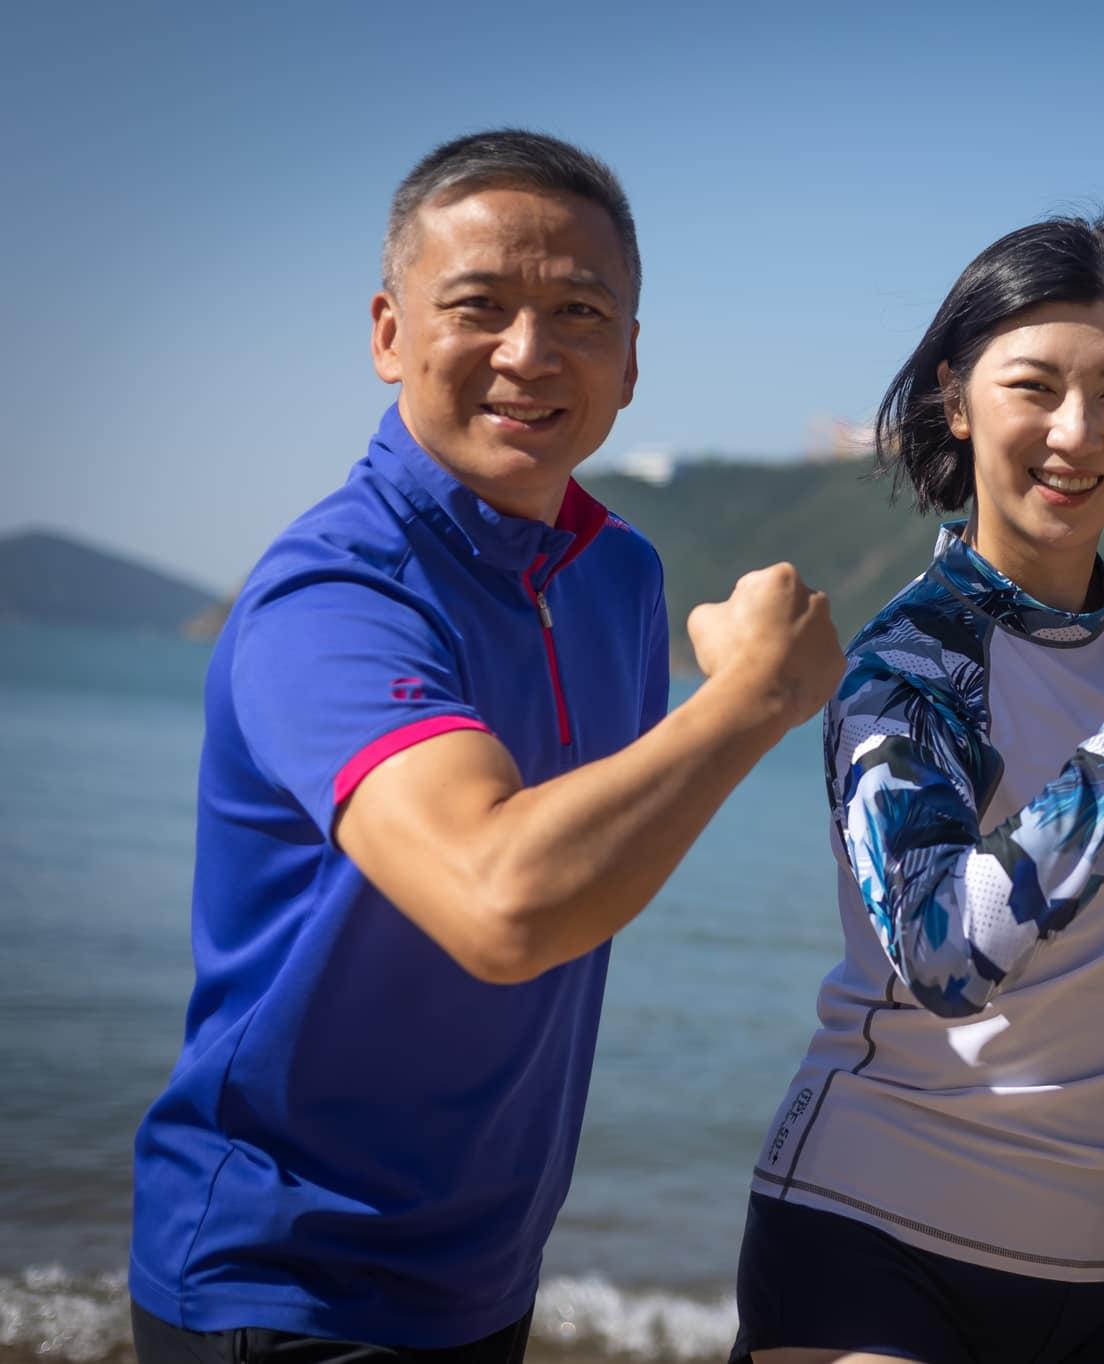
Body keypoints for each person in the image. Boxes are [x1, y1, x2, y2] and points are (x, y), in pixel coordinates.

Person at [128, 129, 844, 1360]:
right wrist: (750, 699)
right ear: (388, 331)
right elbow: (503, 903)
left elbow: (585, 876)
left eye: (578, 312)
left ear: (629, 361)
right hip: (288, 1278)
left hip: (487, 1270)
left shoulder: (617, 575)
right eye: (478, 306)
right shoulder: (332, 593)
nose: (528, 351)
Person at [730, 217, 1104, 1364]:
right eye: (1034, 386)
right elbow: (942, 953)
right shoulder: (911, 661)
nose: (1077, 432)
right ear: (955, 398)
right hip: (875, 1232)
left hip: (1098, 1257)